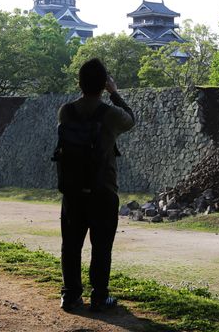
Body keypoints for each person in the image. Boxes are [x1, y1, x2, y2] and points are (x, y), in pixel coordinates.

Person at [58, 58, 135, 313]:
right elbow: (131, 120)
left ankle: (70, 296)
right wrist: (114, 93)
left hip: (72, 189)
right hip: (103, 189)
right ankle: (99, 298)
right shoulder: (110, 114)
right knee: (101, 246)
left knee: (71, 245)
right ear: (103, 84)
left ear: (79, 83)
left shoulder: (65, 111)